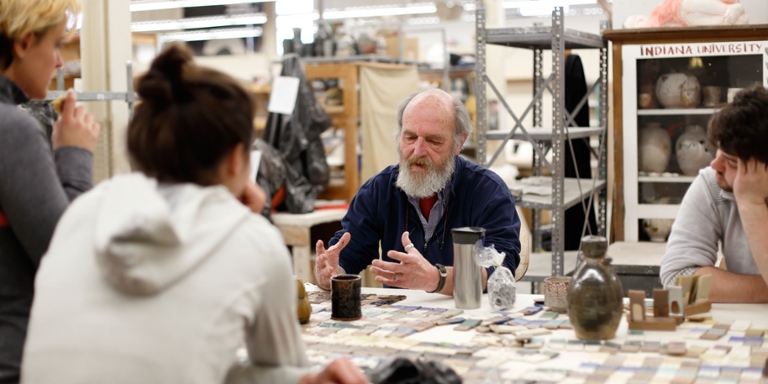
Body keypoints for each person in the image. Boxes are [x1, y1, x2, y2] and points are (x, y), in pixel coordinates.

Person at [21, 45, 367, 384]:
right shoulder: (252, 241)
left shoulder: (82, 213)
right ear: (236, 159)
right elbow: (290, 370)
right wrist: (252, 222)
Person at [314, 89, 521, 294]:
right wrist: (331, 273)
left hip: (465, 315)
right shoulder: (379, 190)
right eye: (410, 138)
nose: (418, 151)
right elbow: (348, 255)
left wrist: (435, 279)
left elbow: (500, 271)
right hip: (399, 320)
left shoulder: (488, 191)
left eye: (433, 141)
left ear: (459, 142)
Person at [0, 1, 100, 382]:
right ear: (24, 43)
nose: (59, 63)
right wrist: (74, 156)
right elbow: (67, 258)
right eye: (55, 45)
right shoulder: (12, 130)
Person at [660, 86, 768, 303]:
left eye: (732, 162)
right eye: (719, 151)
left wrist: (751, 203)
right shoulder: (713, 182)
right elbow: (677, 278)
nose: (714, 164)